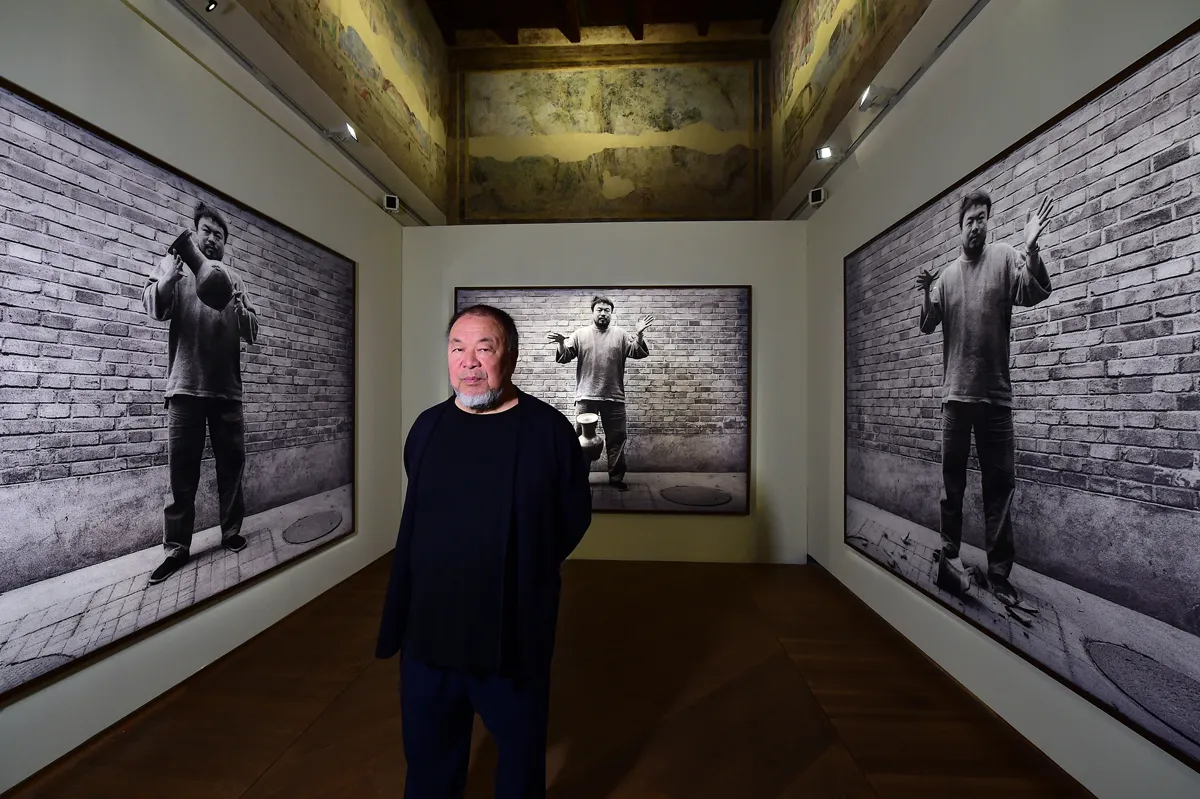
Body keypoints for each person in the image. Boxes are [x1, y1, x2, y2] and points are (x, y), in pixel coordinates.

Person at [375, 304, 592, 799]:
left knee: (518, 766)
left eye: (483, 348)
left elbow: (572, 518)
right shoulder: (427, 427)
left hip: (511, 639)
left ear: (509, 357)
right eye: (457, 348)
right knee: (429, 764)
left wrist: (526, 567)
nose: (468, 362)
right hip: (428, 638)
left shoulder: (549, 432)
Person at [916, 189, 1055, 607]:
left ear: (987, 222)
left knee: (1000, 487)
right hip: (955, 399)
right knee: (951, 485)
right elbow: (927, 323)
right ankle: (950, 557)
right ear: (959, 227)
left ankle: (998, 575)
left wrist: (1031, 251)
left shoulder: (1004, 257)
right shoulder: (946, 277)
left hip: (995, 398)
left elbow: (1034, 292)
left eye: (982, 218)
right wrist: (925, 294)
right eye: (970, 220)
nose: (977, 225)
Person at [142, 201, 260, 586]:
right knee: (182, 474)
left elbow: (252, 331)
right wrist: (167, 281)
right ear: (195, 234)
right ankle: (176, 548)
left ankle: (231, 531)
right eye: (206, 231)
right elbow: (153, 307)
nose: (212, 239)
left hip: (227, 391)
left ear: (226, 244)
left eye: (219, 235)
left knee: (232, 468)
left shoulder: (235, 278)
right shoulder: (173, 268)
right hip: (184, 389)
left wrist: (243, 311)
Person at [545, 295, 654, 491]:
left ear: (611, 313)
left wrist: (639, 335)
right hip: (586, 397)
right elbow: (564, 357)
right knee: (581, 441)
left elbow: (637, 352)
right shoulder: (580, 334)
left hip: (614, 397)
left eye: (607, 310)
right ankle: (579, 479)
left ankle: (616, 478)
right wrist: (562, 343)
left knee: (617, 439)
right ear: (593, 312)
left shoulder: (620, 334)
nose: (603, 313)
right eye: (599, 310)